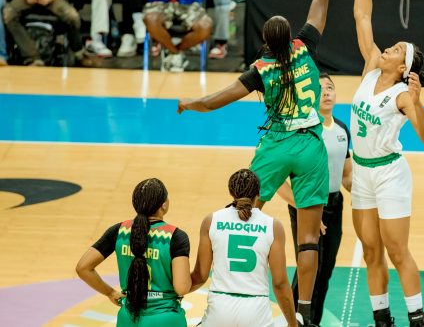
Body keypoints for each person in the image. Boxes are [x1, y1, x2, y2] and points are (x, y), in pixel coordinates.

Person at [177, 0, 348, 326]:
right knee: (310, 238)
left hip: (276, 145)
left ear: (265, 44)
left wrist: (191, 102)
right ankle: (305, 312)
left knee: (240, 211)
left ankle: (219, 281)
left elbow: (218, 100)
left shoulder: (259, 69)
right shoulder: (306, 47)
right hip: (312, 147)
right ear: (290, 36)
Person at [352, 0, 424, 327]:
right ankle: (382, 319)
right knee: (371, 251)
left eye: (397, 49)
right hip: (363, 172)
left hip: (389, 172)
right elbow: (362, 17)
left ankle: (416, 316)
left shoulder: (403, 94)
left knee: (396, 249)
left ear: (404, 67)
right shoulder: (371, 68)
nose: (388, 47)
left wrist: (418, 103)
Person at [277, 73, 353, 326]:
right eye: (320, 89)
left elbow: (346, 176)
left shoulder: (342, 129)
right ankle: (296, 321)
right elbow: (278, 180)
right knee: (309, 268)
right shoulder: (301, 130)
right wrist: (306, 210)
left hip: (334, 204)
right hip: (307, 203)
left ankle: (313, 322)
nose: (326, 92)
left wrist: (371, 196)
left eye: (330, 87)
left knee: (326, 268)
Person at [75, 178, 191, 327]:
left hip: (128, 318)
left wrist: (110, 293)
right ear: (164, 205)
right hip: (166, 318)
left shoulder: (119, 231)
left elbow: (83, 268)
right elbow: (182, 287)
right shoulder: (175, 236)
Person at [190, 169, 299, 327]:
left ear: (231, 192)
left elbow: (199, 276)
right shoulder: (273, 226)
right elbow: (280, 284)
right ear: (259, 193)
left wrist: (172, 293)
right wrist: (293, 324)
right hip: (256, 311)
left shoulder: (211, 220)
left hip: (220, 309)